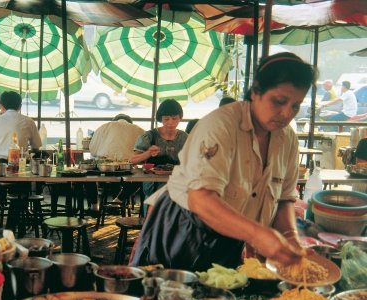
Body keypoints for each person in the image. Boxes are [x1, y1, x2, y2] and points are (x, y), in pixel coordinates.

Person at [131, 52, 316, 272]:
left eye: (296, 106)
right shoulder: (221, 126)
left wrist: (290, 237)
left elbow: (285, 198)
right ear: (256, 91)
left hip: (234, 235)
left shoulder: (287, 139)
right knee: (172, 299)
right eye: (279, 101)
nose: (287, 113)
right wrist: (259, 235)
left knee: (222, 297)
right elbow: (201, 200)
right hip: (185, 228)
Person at [130, 99, 188, 200]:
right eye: (166, 119)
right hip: (153, 183)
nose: (171, 123)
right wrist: (148, 153)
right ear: (160, 119)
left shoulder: (185, 138)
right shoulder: (149, 136)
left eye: (174, 119)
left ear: (180, 118)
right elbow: (132, 161)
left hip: (178, 180)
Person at [0, 91, 41, 161]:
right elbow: (36, 147)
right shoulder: (29, 121)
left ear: (1, 106)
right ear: (20, 106)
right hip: (20, 165)